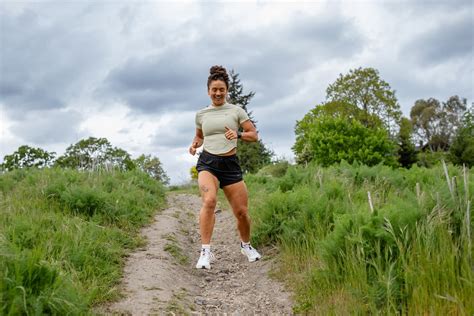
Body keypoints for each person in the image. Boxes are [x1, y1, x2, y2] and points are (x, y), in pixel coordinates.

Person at [189, 65, 262, 270]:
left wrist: (237, 135)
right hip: (208, 163)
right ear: (208, 91)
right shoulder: (201, 114)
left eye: (222, 89)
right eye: (214, 89)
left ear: (227, 90)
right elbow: (199, 136)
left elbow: (253, 135)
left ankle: (246, 246)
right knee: (209, 201)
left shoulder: (236, 111)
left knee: (241, 212)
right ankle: (205, 252)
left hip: (230, 165)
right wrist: (195, 144)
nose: (218, 93)